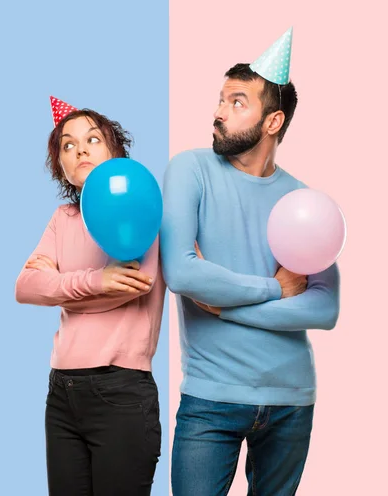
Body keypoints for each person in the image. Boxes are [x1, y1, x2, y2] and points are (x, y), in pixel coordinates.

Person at [161, 29, 341, 496]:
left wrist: (227, 303)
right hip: (210, 398)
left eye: (237, 102)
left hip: (291, 400)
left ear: (273, 121)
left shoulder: (302, 201)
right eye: (220, 99)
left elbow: (324, 309)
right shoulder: (190, 169)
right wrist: (274, 289)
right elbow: (181, 272)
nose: (219, 111)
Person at [15, 97, 165, 496]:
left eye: (93, 139)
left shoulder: (141, 203)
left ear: (115, 150)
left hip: (121, 393)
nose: (80, 149)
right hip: (61, 393)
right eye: (67, 145)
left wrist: (61, 286)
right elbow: (25, 286)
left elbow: (135, 284)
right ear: (60, 165)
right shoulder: (62, 219)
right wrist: (96, 281)